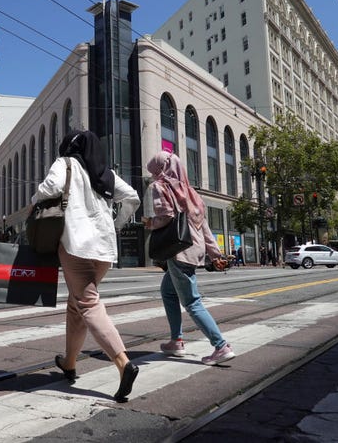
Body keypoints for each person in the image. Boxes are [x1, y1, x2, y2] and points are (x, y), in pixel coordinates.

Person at [32, 129, 141, 403]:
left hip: (77, 245)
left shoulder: (65, 163)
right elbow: (132, 197)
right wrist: (115, 225)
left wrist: (34, 202)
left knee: (88, 303)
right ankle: (69, 363)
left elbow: (49, 189)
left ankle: (123, 363)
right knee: (76, 305)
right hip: (103, 250)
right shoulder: (105, 174)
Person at [143, 150, 235, 366]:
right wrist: (215, 255)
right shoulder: (191, 192)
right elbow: (204, 227)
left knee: (192, 302)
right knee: (168, 291)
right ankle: (176, 340)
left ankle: (221, 346)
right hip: (193, 251)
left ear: (160, 169)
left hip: (178, 251)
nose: (153, 174)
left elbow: (165, 217)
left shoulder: (160, 186)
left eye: (154, 170)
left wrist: (150, 223)